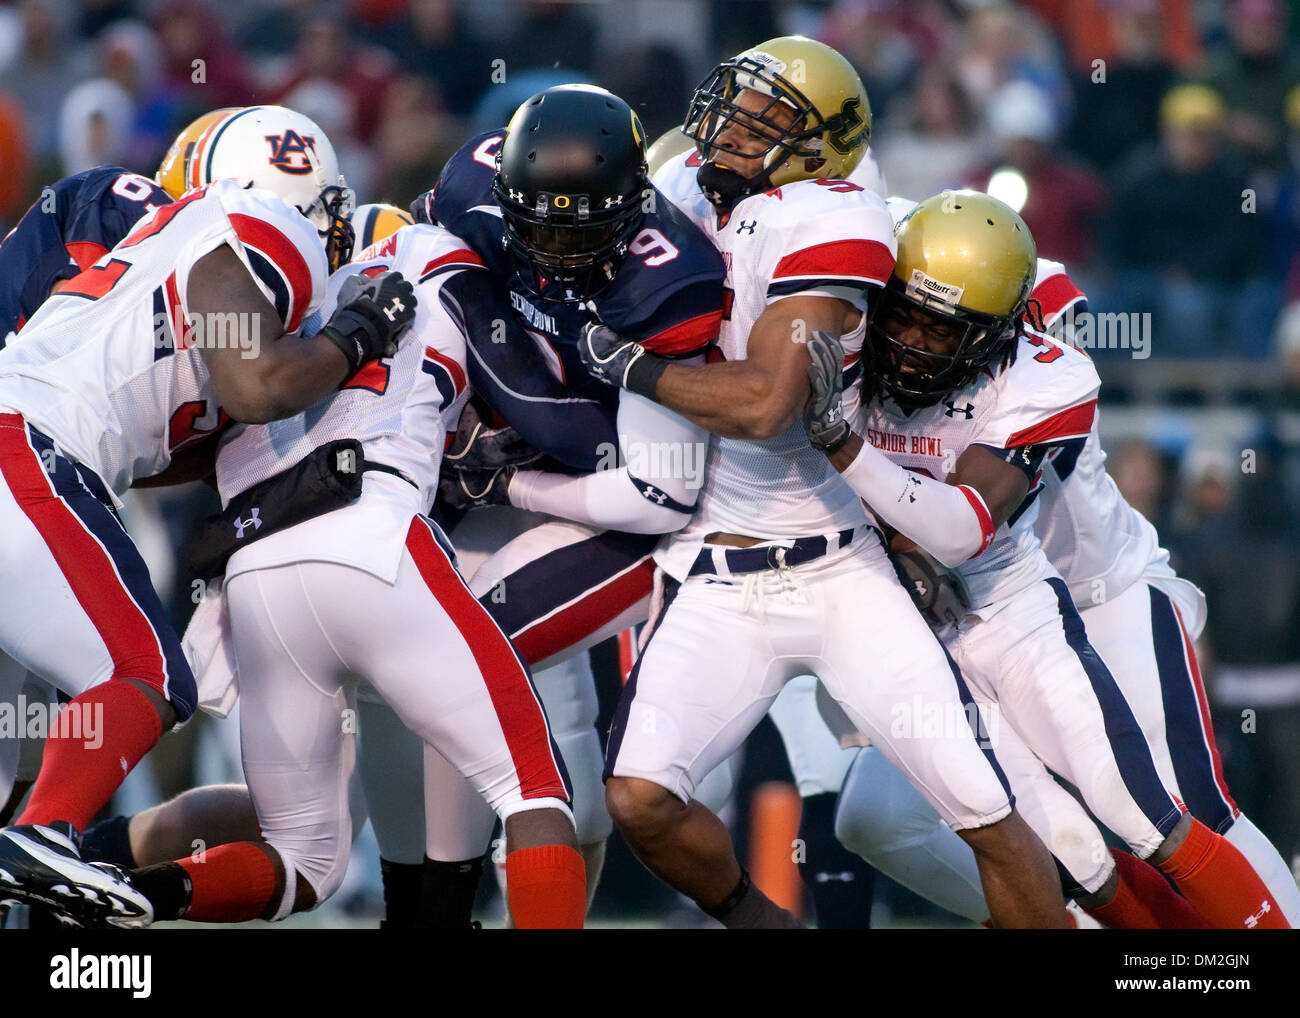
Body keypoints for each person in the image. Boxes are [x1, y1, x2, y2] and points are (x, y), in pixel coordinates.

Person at [579, 35, 1071, 928]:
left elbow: (769, 404)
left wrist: (626, 365)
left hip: (841, 567)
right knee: (639, 798)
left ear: (822, 145)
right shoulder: (685, 184)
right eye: (738, 100)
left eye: (767, 115)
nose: (732, 124)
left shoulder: (837, 216)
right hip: (715, 571)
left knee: (984, 813)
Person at [802, 189, 1289, 929]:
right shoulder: (868, 257)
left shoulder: (1035, 350)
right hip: (960, 623)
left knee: (1179, 808)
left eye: (940, 327)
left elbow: (1046, 294)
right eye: (903, 314)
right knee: (873, 817)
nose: (910, 338)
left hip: (1096, 596)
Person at [0, 105, 413, 928]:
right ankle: (48, 834)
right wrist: (359, 332)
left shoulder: (170, 254)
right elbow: (260, 383)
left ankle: (35, 837)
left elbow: (193, 435)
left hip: (39, 452)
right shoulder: (255, 222)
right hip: (30, 452)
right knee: (143, 675)